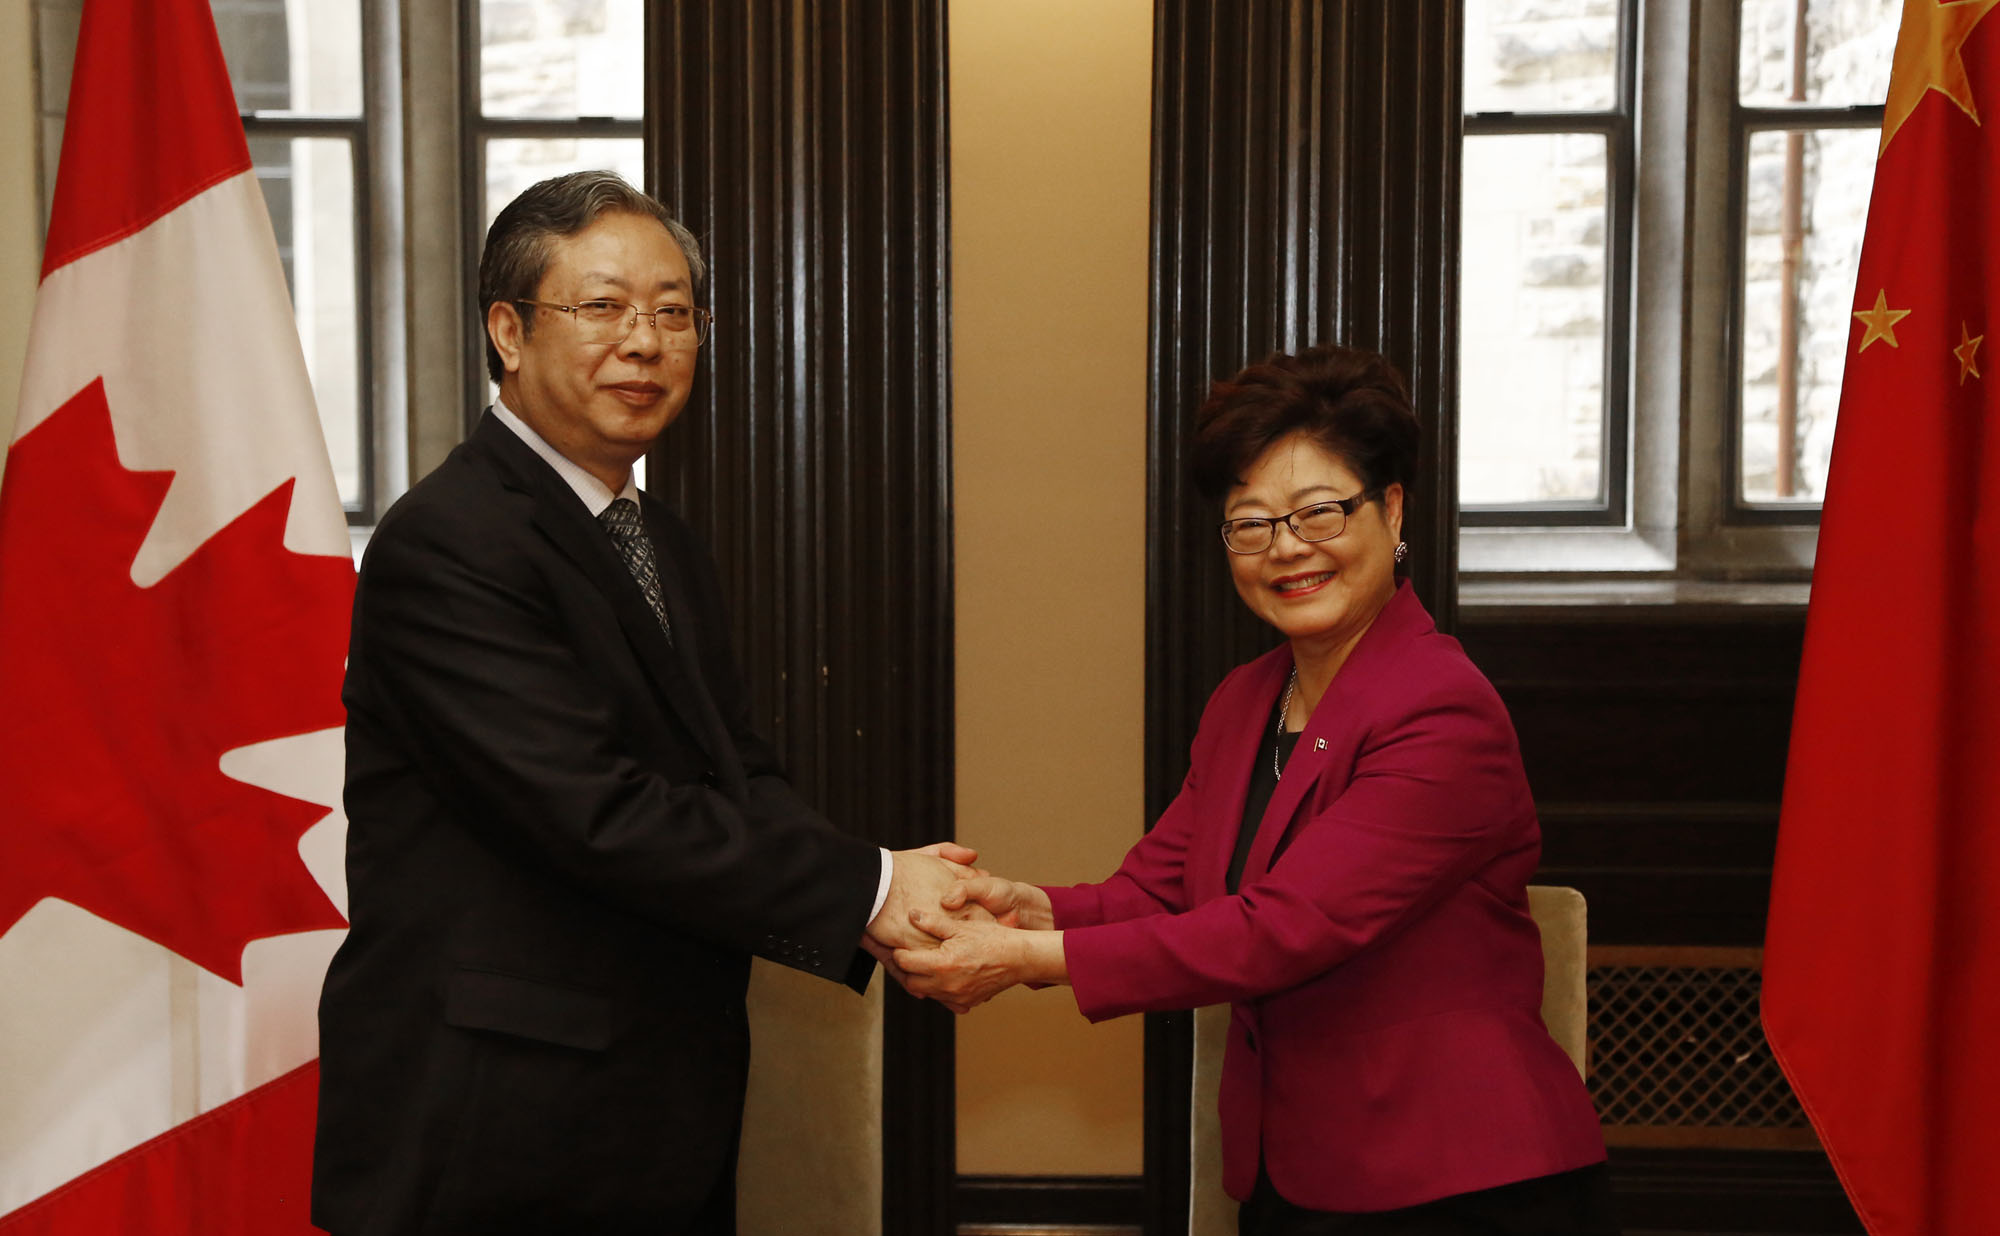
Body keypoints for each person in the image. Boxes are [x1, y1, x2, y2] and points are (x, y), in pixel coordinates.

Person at [312, 170, 972, 1236]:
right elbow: (592, 811)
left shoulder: (655, 539)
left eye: (675, 312)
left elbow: (736, 774)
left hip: (650, 1104)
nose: (647, 341)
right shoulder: (450, 541)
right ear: (508, 332)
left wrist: (890, 898)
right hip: (494, 1119)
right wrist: (870, 888)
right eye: (603, 307)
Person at [892, 344, 1617, 1234]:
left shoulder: (1442, 707)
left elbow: (1284, 927)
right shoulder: (1247, 700)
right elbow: (1156, 890)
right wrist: (1026, 909)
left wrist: (1025, 965)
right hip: (1296, 1174)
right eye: (1251, 522)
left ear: (1392, 511)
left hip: (1464, 1183)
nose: (1287, 549)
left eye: (1319, 512)